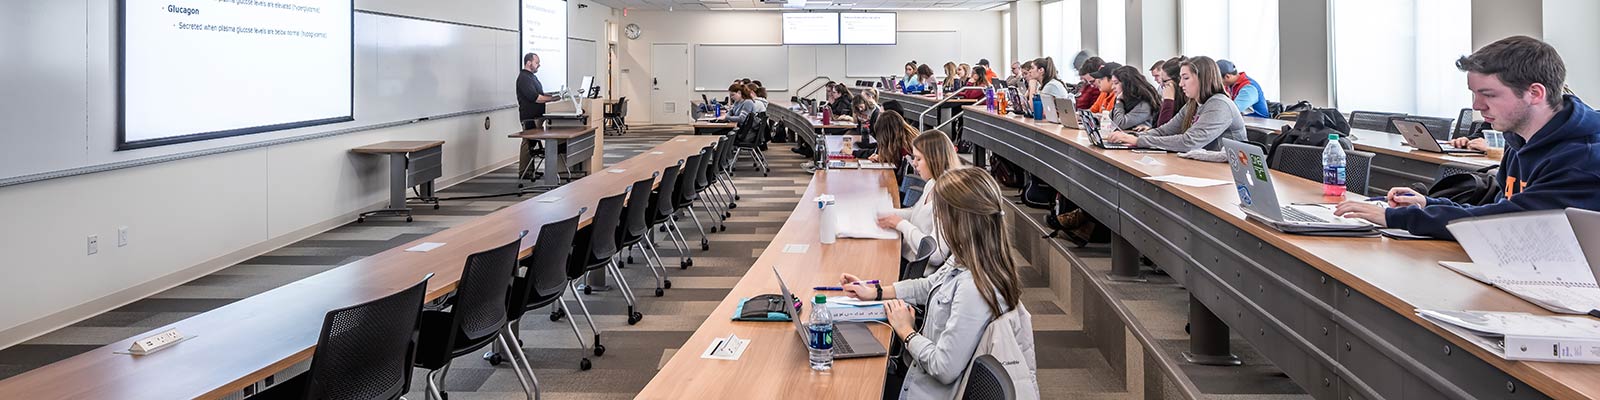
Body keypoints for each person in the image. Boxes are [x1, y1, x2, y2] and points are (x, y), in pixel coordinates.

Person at [1334, 36, 1600, 239]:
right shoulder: (1519, 140)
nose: (1476, 106)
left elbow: (1508, 222)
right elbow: (1503, 207)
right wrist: (1428, 203)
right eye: (1474, 94)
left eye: (1489, 94)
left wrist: (1400, 217)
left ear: (1535, 93)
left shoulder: (1583, 157)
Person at [841, 167, 1032, 400]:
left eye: (941, 215)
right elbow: (929, 285)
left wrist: (906, 331)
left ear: (959, 221)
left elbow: (944, 368)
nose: (938, 221)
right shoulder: (965, 258)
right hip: (919, 377)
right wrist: (877, 292)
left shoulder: (975, 288)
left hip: (930, 391)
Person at [1104, 56, 1246, 154]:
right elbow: (1165, 131)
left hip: (1225, 174)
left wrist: (1139, 140)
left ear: (1203, 79)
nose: (1180, 84)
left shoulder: (1219, 105)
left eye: (1186, 78)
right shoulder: (1193, 104)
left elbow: (1189, 142)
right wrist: (1131, 136)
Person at [877, 130, 960, 267]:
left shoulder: (948, 196)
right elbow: (917, 213)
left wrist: (901, 224)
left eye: (918, 159)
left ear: (934, 159)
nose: (914, 163)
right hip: (906, 258)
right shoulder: (932, 183)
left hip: (916, 271)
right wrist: (886, 213)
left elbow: (935, 254)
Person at [516, 53, 559, 129]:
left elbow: (539, 93)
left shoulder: (532, 76)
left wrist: (553, 96)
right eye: (536, 63)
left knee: (532, 140)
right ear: (529, 63)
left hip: (537, 118)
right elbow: (536, 98)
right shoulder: (524, 78)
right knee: (530, 140)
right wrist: (552, 99)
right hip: (530, 119)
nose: (539, 65)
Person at [1109, 65, 1159, 130]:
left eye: (1116, 83)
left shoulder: (1143, 105)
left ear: (1127, 84)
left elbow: (1120, 124)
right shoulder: (1127, 101)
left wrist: (1119, 102)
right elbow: (1110, 118)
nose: (1112, 87)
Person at [1146, 56, 1189, 128]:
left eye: (1165, 81)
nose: (1162, 85)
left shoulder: (1189, 105)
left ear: (1178, 80)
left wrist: (1168, 101)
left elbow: (1163, 130)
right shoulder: (1176, 100)